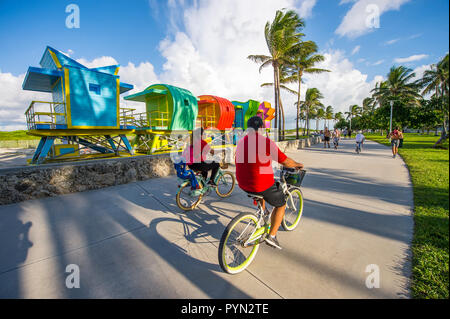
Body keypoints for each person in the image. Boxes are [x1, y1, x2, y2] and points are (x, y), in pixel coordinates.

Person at [235, 116, 304, 249]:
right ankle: (272, 236)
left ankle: (264, 211)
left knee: (263, 187)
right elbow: (284, 161)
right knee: (281, 203)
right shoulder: (265, 141)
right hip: (258, 184)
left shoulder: (242, 141)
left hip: (243, 183)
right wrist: (297, 164)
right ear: (261, 128)